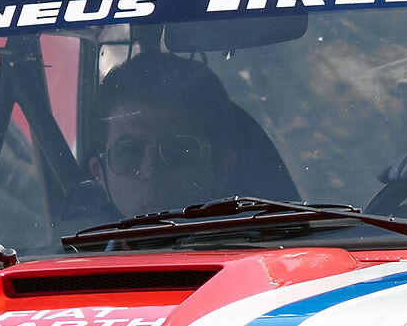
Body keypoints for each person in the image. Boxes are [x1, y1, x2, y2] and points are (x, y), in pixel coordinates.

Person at [84, 53, 293, 218]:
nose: (150, 170)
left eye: (178, 151)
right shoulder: (61, 260)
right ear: (99, 174)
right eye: (128, 153)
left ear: (223, 165)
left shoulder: (289, 263)